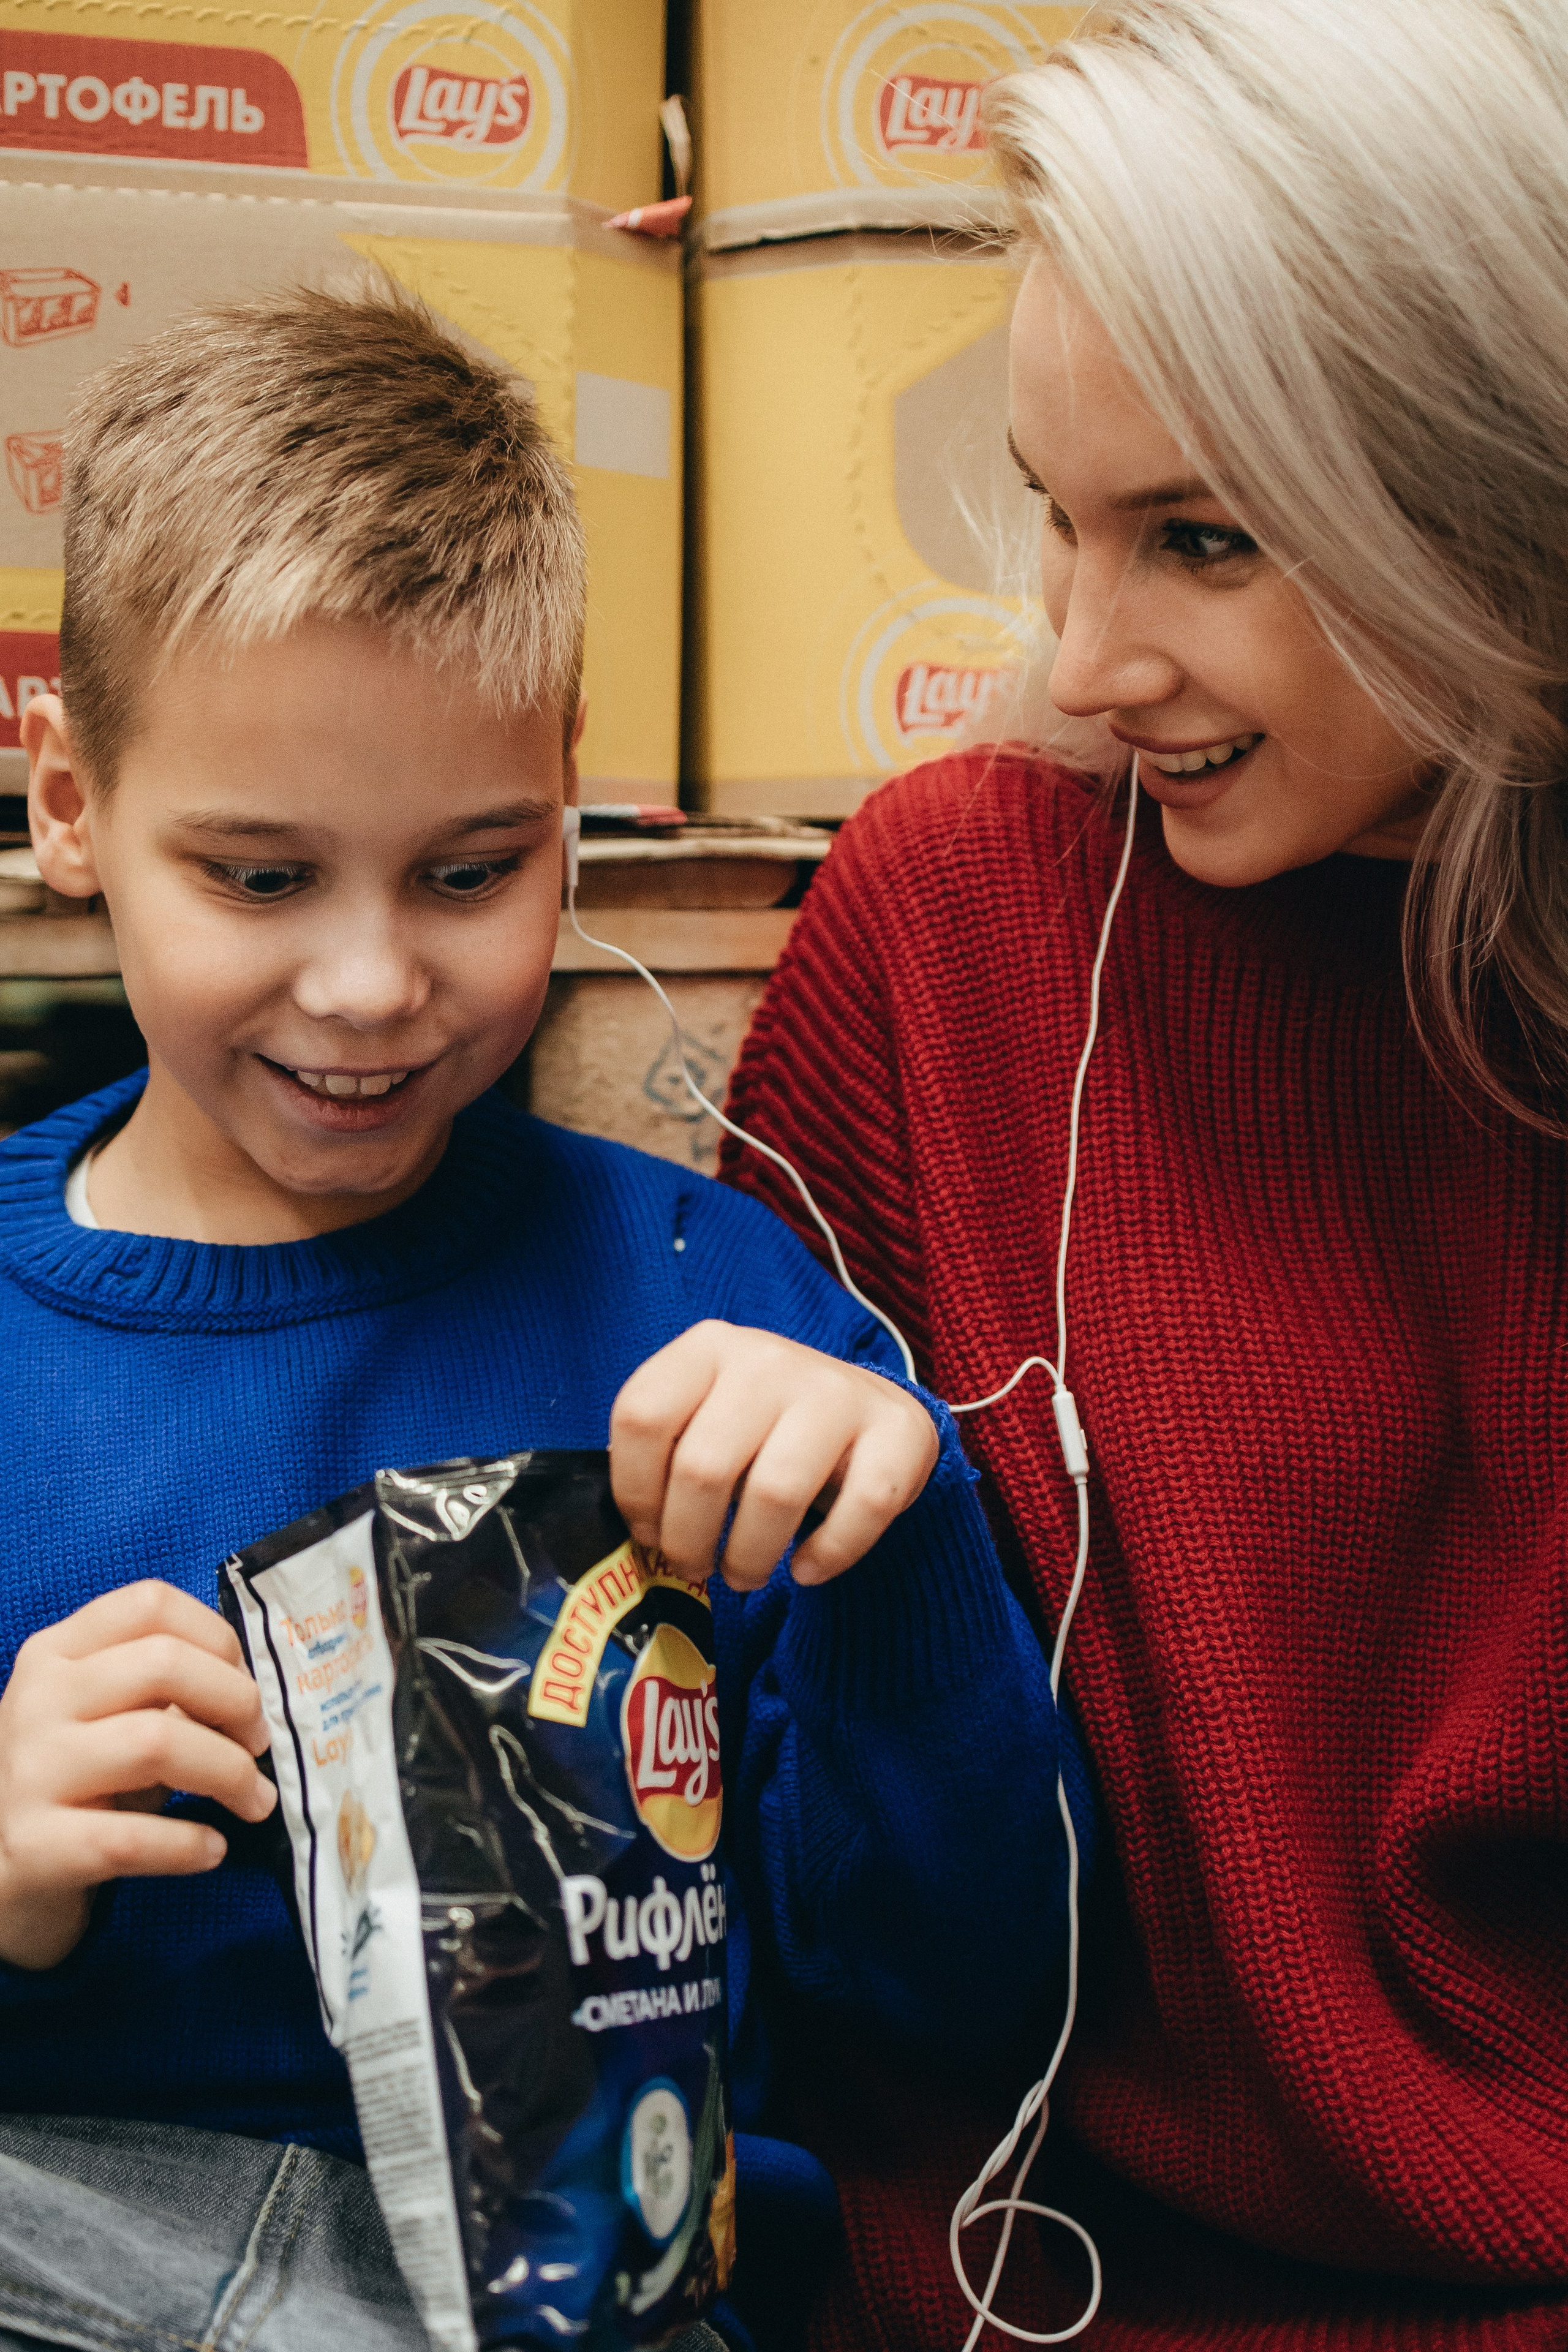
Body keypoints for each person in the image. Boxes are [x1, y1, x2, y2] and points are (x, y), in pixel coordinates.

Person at [0, 283, 1093, 2352]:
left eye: (468, 869)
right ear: (70, 803)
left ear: (566, 799)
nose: (367, 985)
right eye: (253, 876)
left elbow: (970, 2000)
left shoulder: (715, 1315)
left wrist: (905, 1546)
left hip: (603, 2282)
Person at [718, 1, 1568, 2345]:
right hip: (1021, 2282)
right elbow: (736, 1764)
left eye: (1201, 539)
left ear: (1492, 485)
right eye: (1058, 522)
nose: (1083, 661)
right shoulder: (955, 926)